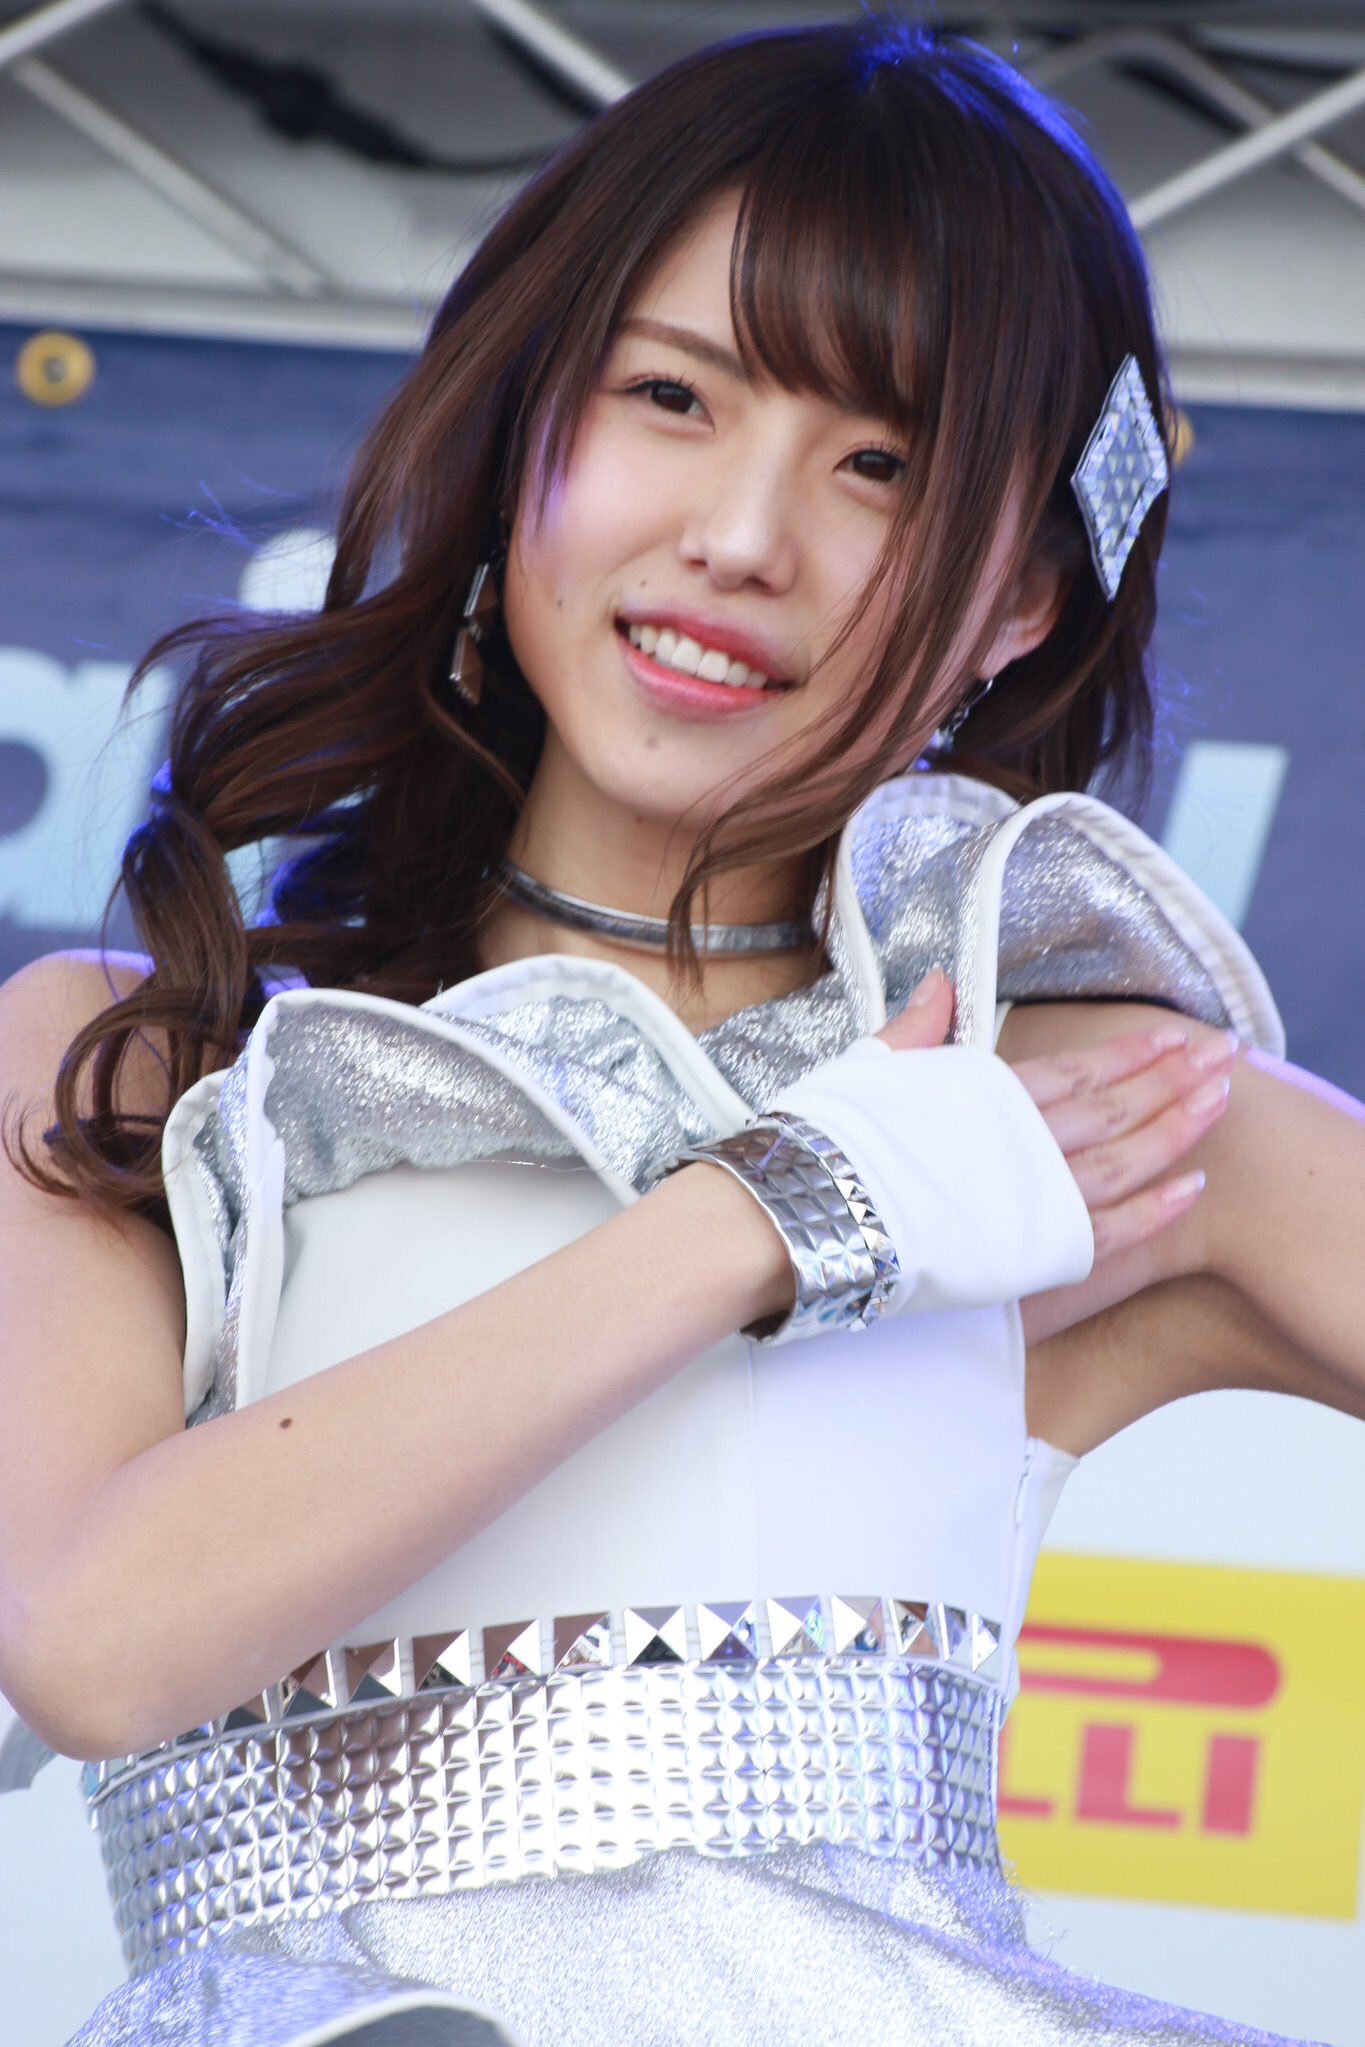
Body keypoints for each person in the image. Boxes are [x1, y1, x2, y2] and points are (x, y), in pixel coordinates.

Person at [0, 16, 1360, 2047]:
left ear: (1019, 600)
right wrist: (778, 1212)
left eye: (881, 466)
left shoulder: (1074, 1116)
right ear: (522, 427)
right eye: (671, 397)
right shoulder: (144, 1064)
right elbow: (98, 1641)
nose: (742, 533)